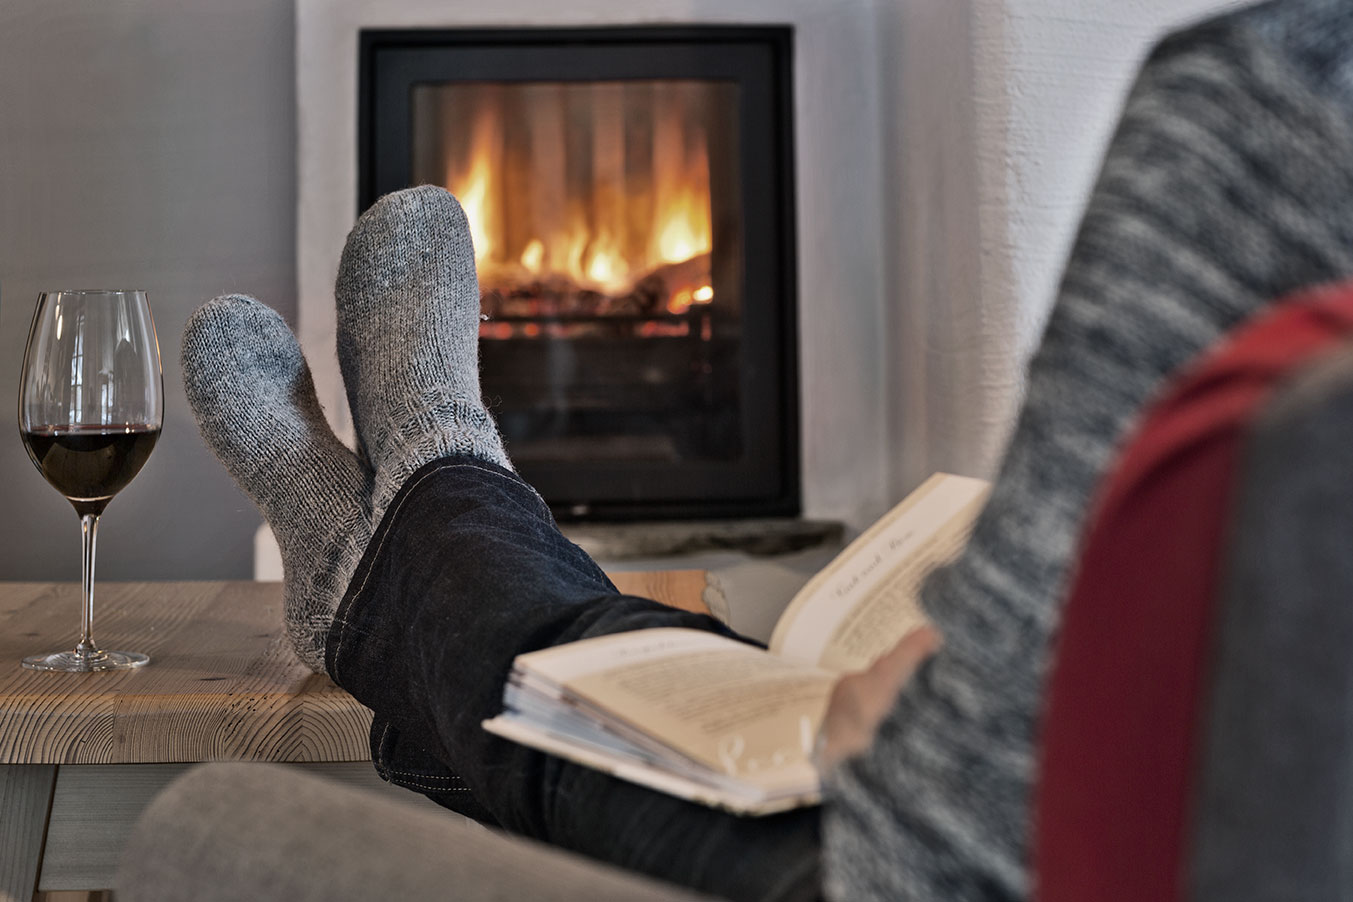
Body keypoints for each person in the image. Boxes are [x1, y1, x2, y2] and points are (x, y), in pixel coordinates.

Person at [178, 1, 1353, 898]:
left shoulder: (1273, 108)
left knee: (593, 673)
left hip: (932, 863)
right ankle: (403, 531)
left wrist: (943, 714)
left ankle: (421, 503)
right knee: (624, 664)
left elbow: (963, 809)